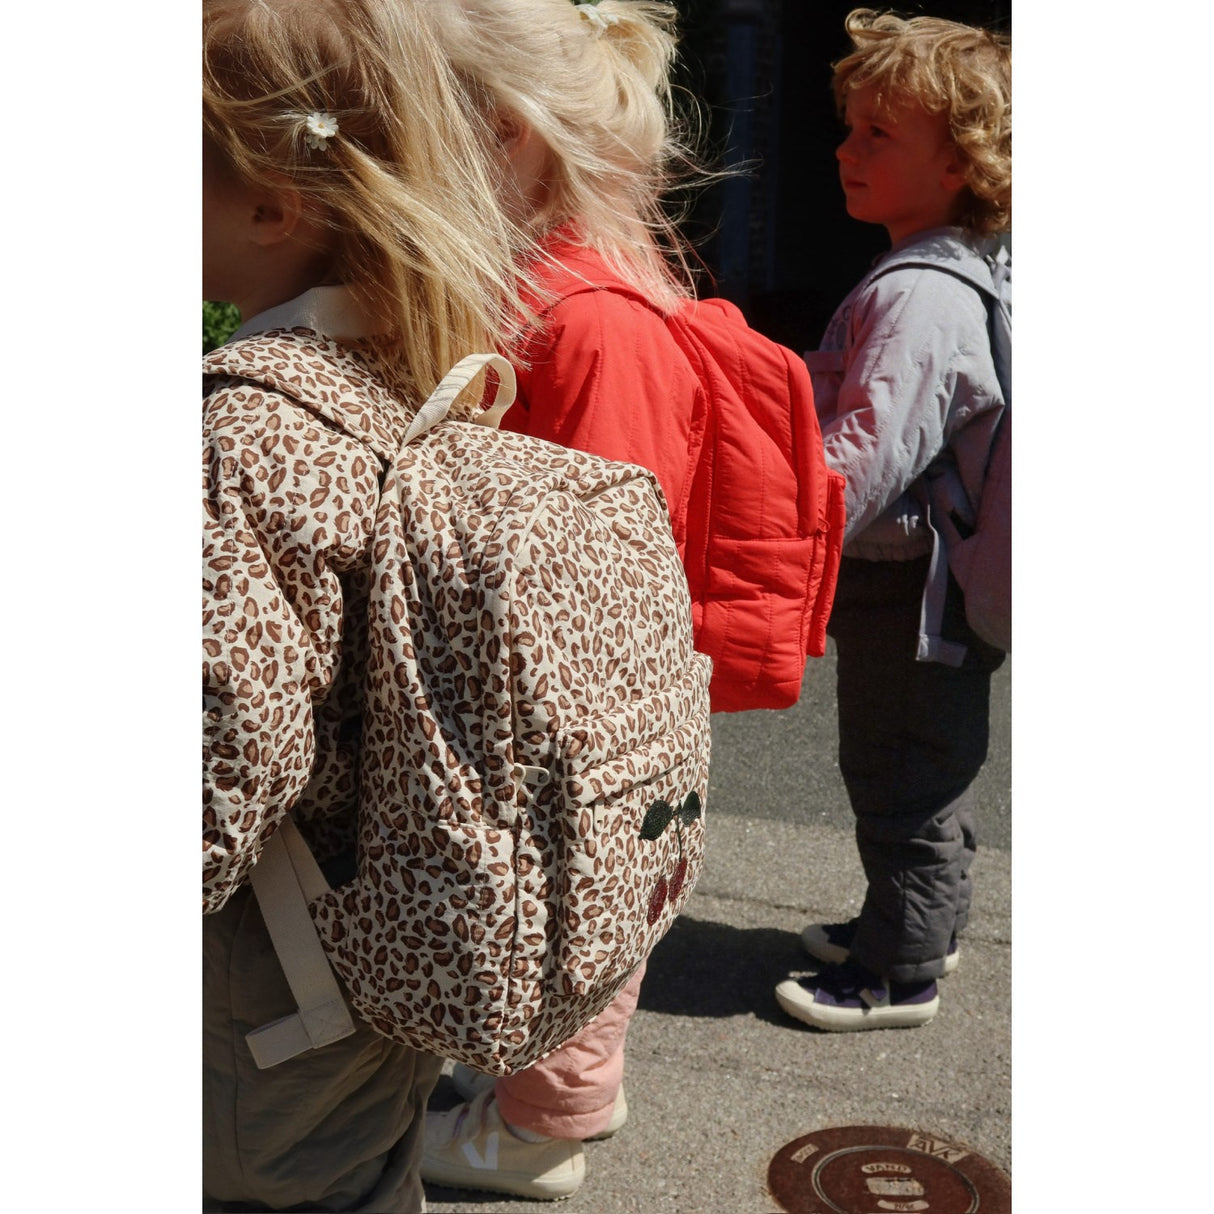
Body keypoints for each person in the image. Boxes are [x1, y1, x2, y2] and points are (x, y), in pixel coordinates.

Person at [418, 0, 840, 1200]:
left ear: (501, 135)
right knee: (555, 899)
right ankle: (528, 1088)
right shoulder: (577, 281)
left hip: (582, 693)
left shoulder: (591, 317)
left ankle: (545, 1130)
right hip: (562, 681)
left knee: (580, 902)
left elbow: (604, 538)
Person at [201, 0, 526, 1209]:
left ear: (273, 205)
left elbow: (216, 744)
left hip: (257, 989)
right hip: (383, 940)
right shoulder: (413, 375)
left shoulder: (249, 426)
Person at [774, 8, 1011, 1033]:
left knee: (897, 767)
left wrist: (774, 513)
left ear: (957, 162)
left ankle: (896, 971)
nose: (843, 148)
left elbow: (859, 464)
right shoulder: (963, 267)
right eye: (849, 125)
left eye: (878, 134)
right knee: (925, 759)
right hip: (944, 578)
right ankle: (918, 920)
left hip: (910, 587)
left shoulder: (919, 295)